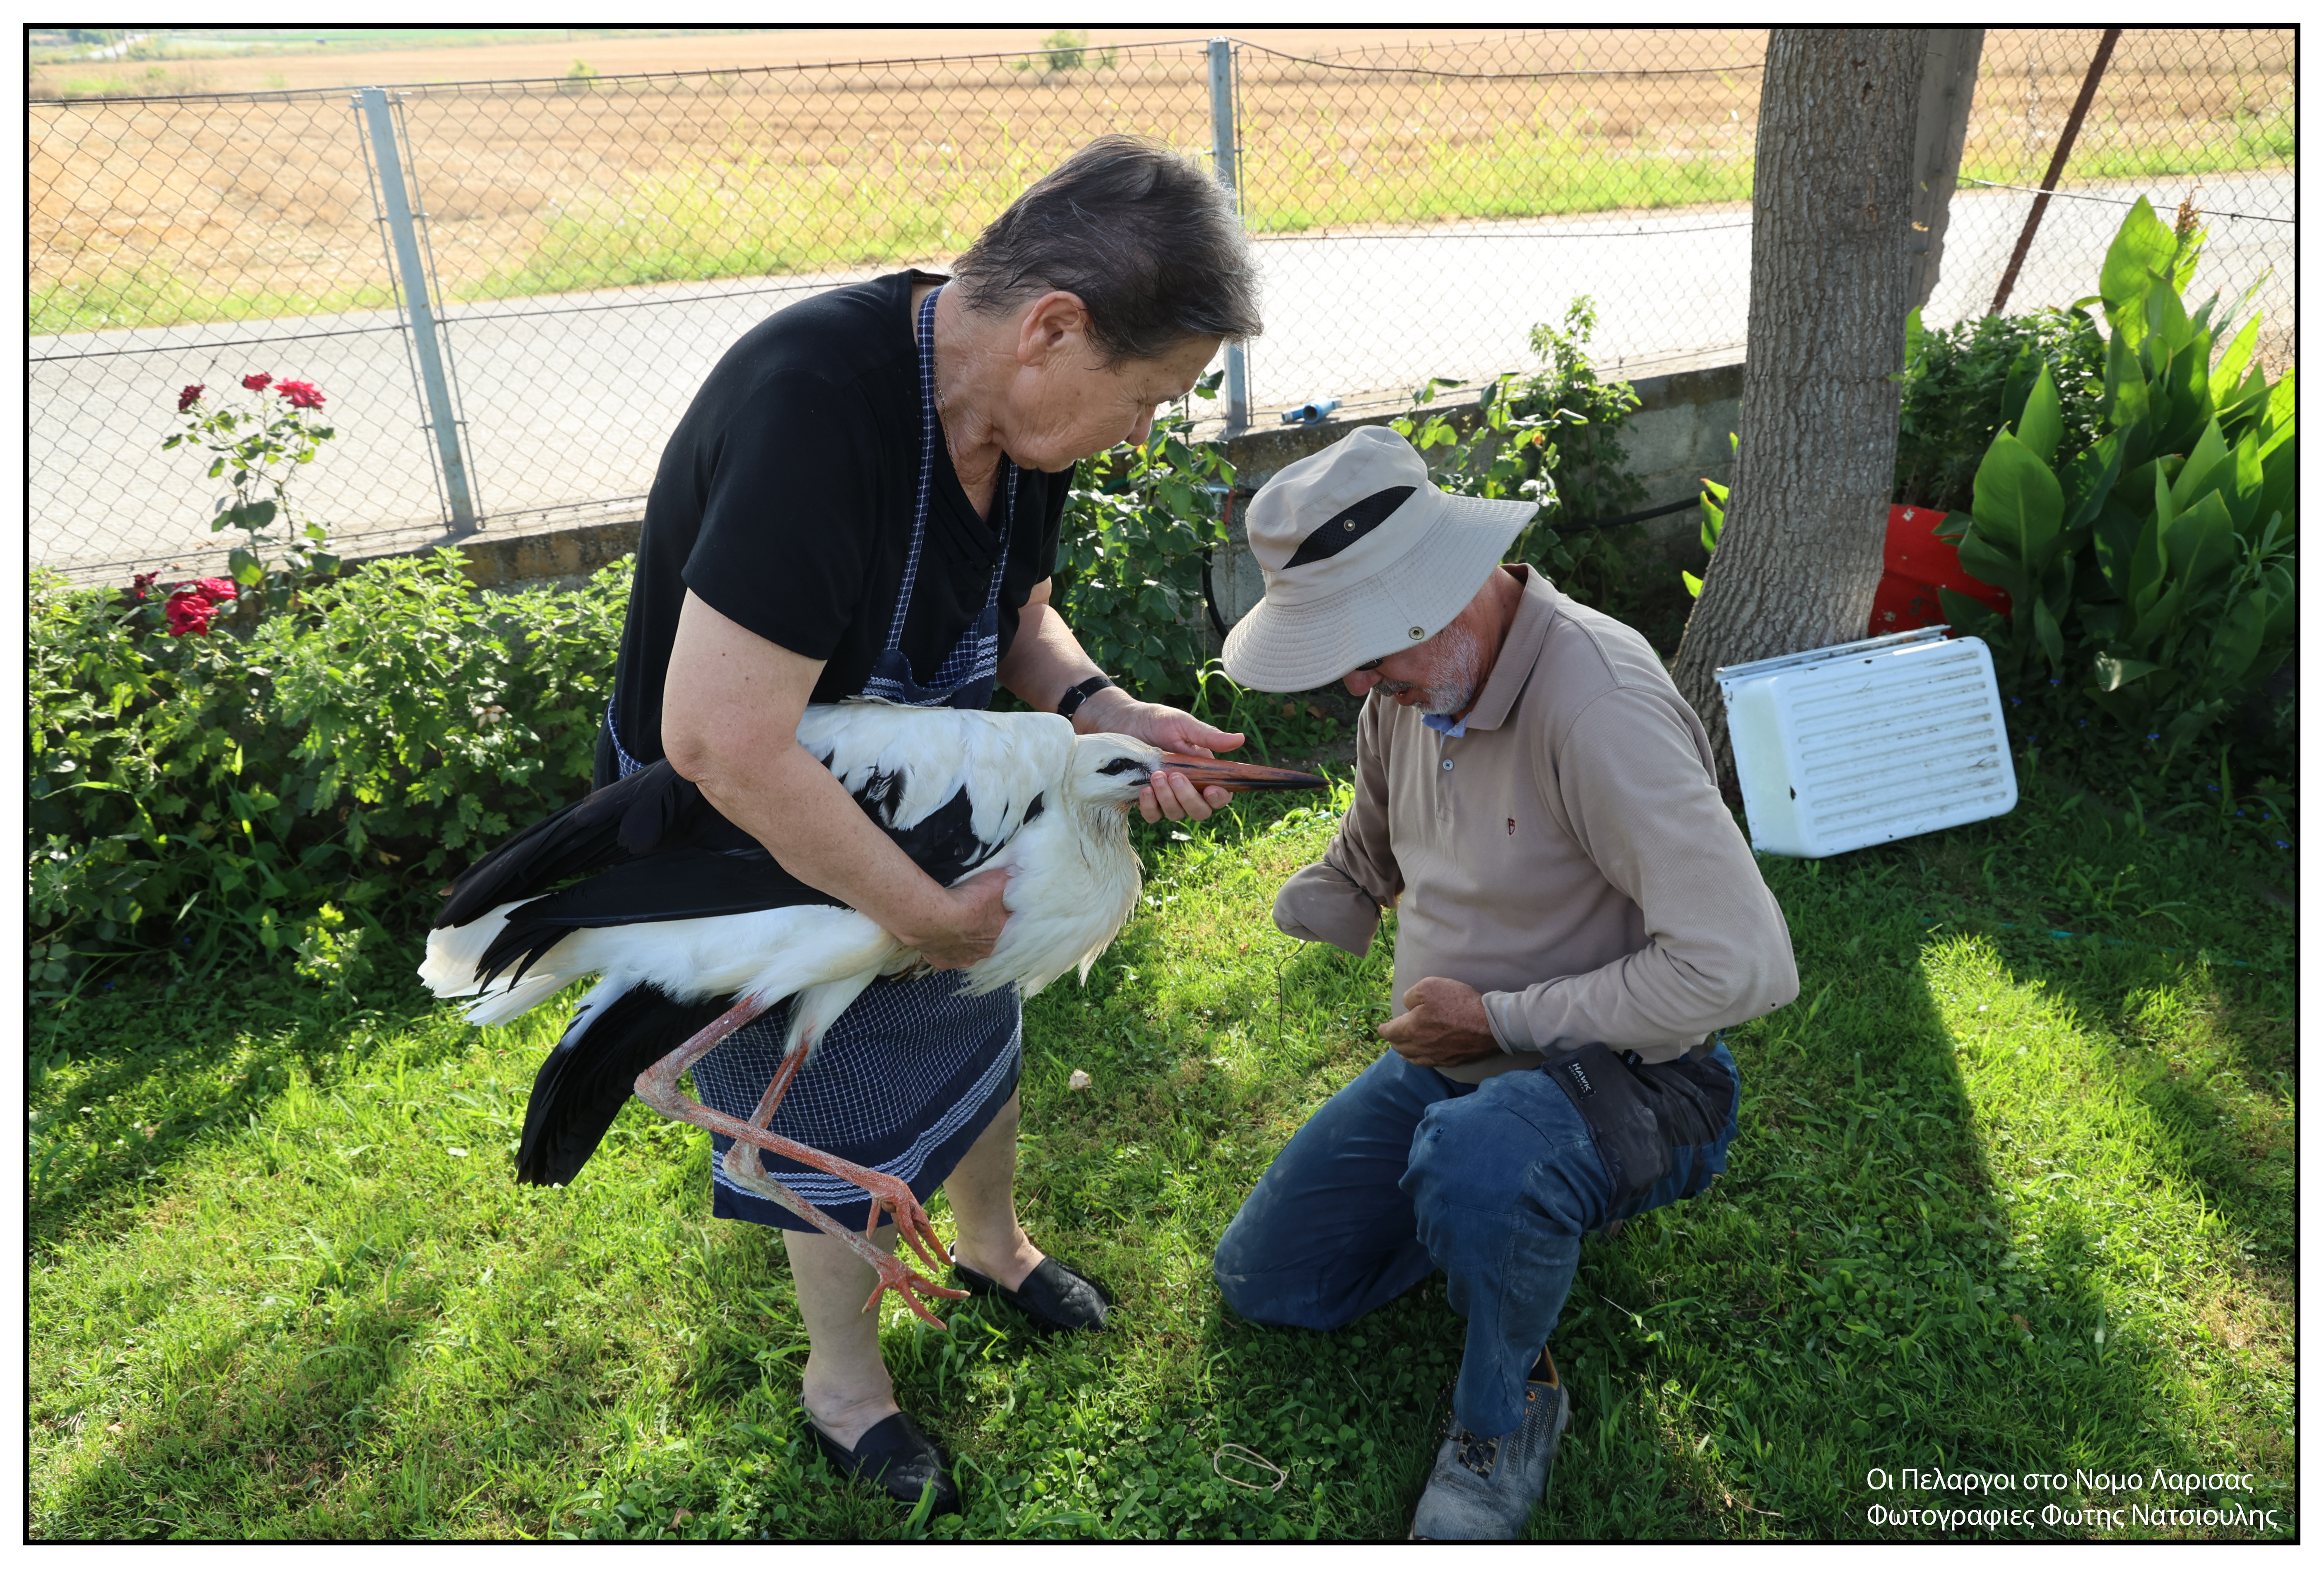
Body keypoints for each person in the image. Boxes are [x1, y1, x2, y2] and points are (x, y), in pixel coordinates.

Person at [596, 135, 1263, 1514]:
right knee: (830, 1085)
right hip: (746, 822)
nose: (1143, 433)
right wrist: (922, 914)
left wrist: (1100, 707)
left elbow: (1019, 619)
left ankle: (992, 1247)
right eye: (1148, 397)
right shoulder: (816, 406)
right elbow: (720, 741)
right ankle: (846, 1388)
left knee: (977, 1020)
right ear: (1053, 328)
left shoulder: (1016, 422)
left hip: (926, 786)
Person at [1209, 426, 1799, 1540]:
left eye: (1365, 647)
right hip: (1460, 1067)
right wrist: (1275, 863)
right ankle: (1505, 1218)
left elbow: (1742, 964)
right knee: (1269, 1281)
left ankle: (1506, 1403)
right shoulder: (1405, 694)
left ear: (1440, 590)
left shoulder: (1598, 705)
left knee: (1481, 1164)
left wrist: (1497, 1019)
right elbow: (1372, 850)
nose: (1355, 682)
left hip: (1640, 1081)